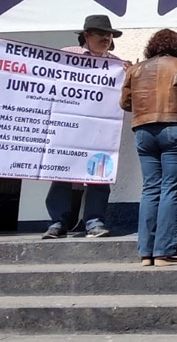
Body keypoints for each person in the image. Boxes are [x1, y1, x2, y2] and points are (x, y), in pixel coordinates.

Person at [120, 29, 177, 267]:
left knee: (150, 188)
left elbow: (125, 103)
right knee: (170, 188)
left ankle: (146, 253)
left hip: (144, 130)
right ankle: (165, 252)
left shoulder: (135, 70)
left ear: (151, 47)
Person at [43, 15, 124, 240]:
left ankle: (94, 222)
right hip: (69, 127)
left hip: (100, 130)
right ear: (86, 35)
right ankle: (57, 223)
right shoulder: (66, 56)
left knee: (100, 174)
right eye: (101, 34)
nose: (107, 38)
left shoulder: (117, 64)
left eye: (109, 35)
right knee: (61, 174)